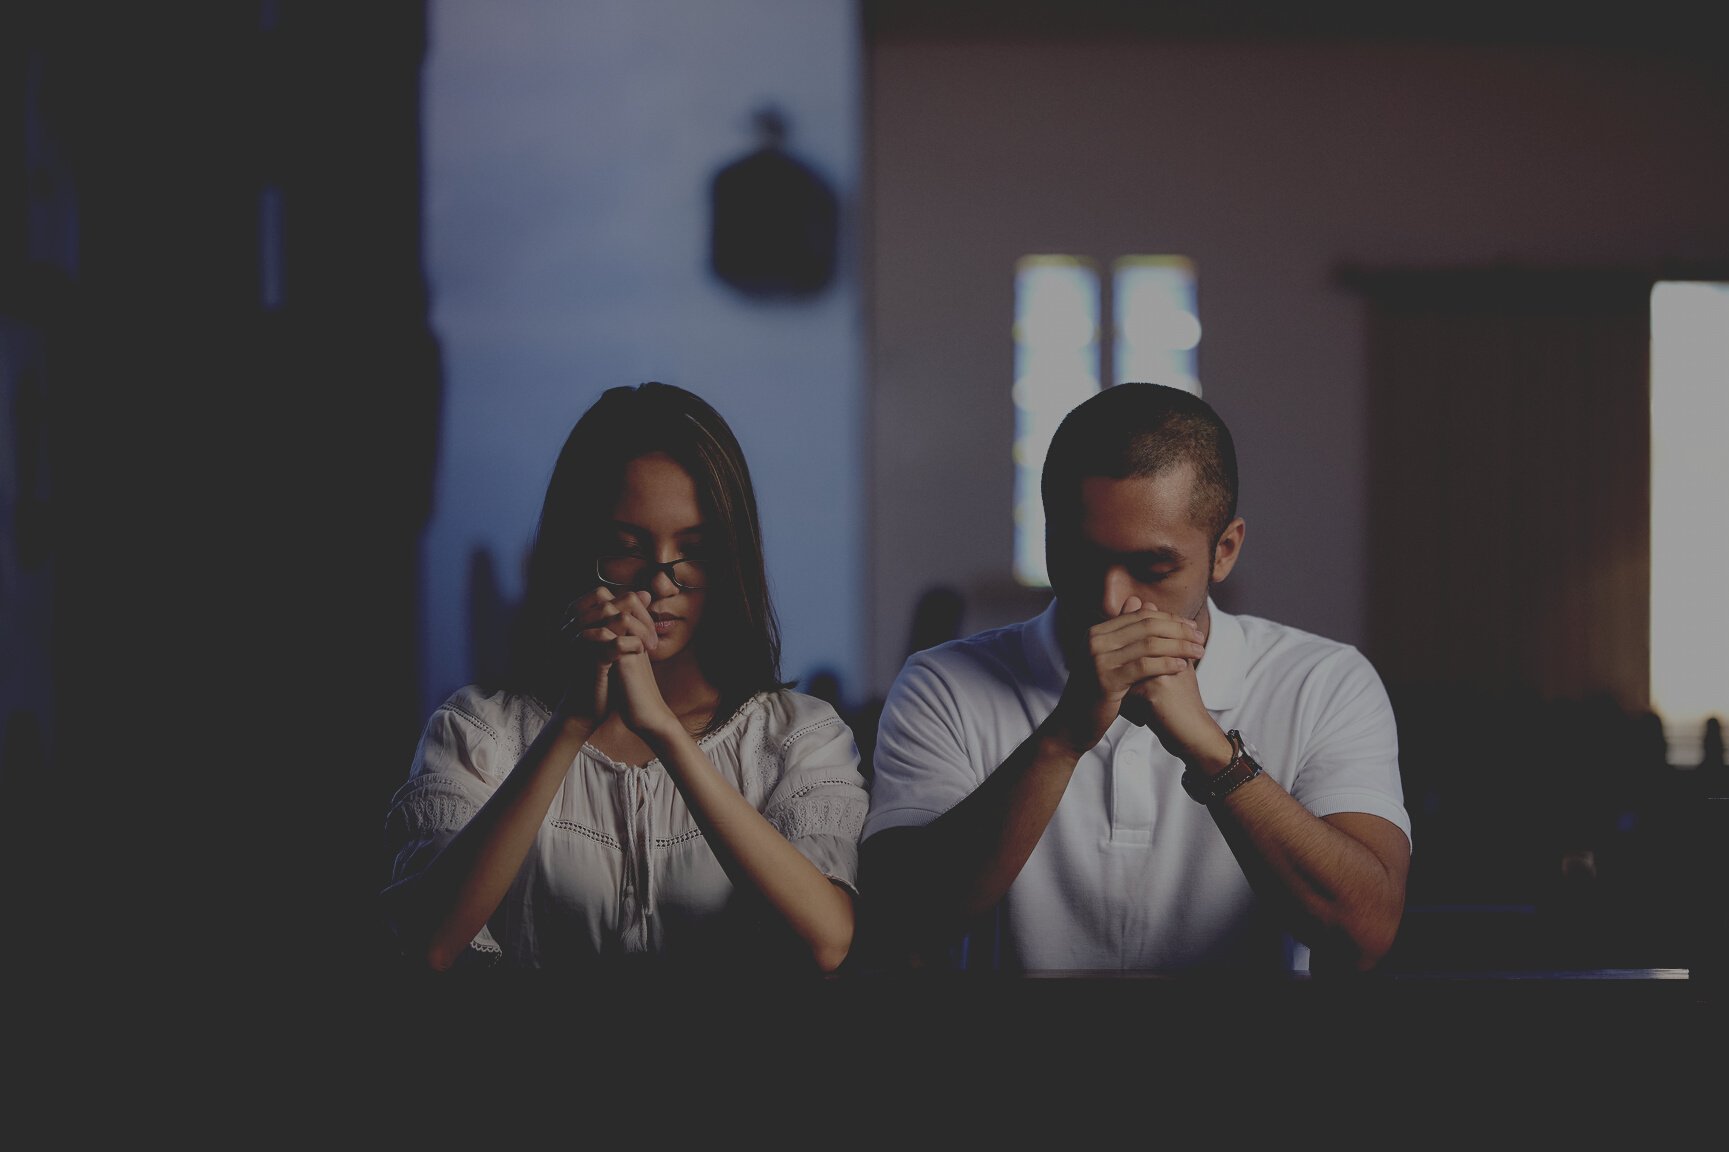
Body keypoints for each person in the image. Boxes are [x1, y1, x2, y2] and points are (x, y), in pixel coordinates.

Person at [859, 381, 1411, 975]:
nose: (1112, 599)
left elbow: (1362, 934)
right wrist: (1064, 736)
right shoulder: (942, 684)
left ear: (1224, 550)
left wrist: (1212, 751)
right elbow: (899, 925)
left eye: (1153, 567)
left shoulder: (1323, 681)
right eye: (1080, 559)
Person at [381, 382, 868, 974]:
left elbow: (827, 938)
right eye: (626, 547)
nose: (660, 583)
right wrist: (569, 724)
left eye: (692, 550)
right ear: (577, 550)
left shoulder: (798, 738)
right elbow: (429, 943)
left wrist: (663, 730)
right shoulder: (481, 731)